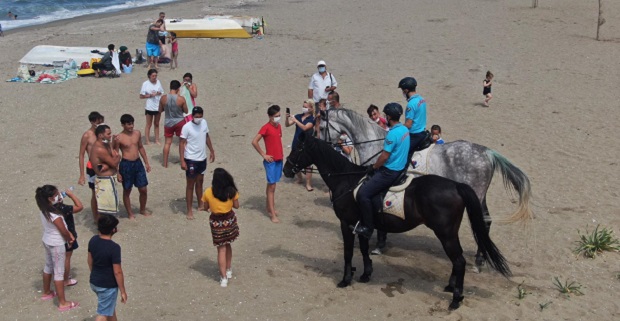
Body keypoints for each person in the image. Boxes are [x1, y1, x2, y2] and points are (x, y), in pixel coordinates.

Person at [353, 103, 410, 239]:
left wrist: (374, 167)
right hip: (402, 168)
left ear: (389, 117)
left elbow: (384, 156)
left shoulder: (392, 134)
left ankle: (368, 227)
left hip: (390, 171)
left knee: (363, 194)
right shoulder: (404, 130)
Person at [35, 185, 79, 312]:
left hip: (47, 239)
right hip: (56, 243)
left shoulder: (44, 209)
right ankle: (63, 302)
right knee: (58, 272)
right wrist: (69, 238)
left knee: (48, 266)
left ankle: (47, 292)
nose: (59, 196)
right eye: (56, 195)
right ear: (50, 198)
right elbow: (63, 230)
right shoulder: (55, 215)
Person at [200, 168, 240, 287]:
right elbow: (236, 206)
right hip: (229, 220)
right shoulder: (231, 191)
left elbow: (206, 207)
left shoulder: (208, 192)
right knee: (228, 244)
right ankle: (228, 270)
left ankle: (223, 278)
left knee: (220, 249)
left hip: (217, 223)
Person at [88, 214, 127, 321]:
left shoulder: (93, 240)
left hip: (94, 282)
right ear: (113, 229)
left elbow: (90, 260)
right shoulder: (114, 248)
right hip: (107, 286)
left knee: (109, 308)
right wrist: (123, 291)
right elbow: (117, 272)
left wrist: (94, 274)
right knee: (103, 315)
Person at [114, 114, 152, 220]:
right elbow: (115, 155)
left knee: (143, 189)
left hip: (138, 163)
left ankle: (142, 209)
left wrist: (147, 163)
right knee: (127, 190)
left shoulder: (137, 133)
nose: (131, 126)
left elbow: (140, 147)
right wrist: (117, 172)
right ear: (123, 125)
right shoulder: (119, 138)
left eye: (132, 124)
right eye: (128, 124)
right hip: (126, 164)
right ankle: (130, 213)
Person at [180, 107, 215, 220]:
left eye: (200, 116)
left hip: (202, 158)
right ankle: (189, 210)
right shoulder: (186, 127)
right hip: (191, 158)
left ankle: (200, 204)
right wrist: (182, 160)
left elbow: (206, 136)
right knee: (190, 184)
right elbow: (182, 143)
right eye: (197, 116)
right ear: (192, 116)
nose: (199, 119)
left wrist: (211, 150)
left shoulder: (204, 123)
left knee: (200, 181)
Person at [251, 105, 283, 223]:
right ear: (270, 117)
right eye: (276, 116)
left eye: (279, 116)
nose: (278, 118)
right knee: (272, 186)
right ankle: (272, 214)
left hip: (279, 158)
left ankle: (270, 208)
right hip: (271, 161)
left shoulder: (278, 126)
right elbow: (254, 141)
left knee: (271, 185)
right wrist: (264, 154)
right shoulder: (266, 128)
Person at [78, 111, 105, 223]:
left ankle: (104, 213)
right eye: (97, 123)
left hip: (104, 165)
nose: (99, 125)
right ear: (92, 122)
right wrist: (82, 175)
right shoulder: (87, 135)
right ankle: (96, 217)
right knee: (95, 192)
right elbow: (81, 154)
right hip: (92, 167)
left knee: (105, 190)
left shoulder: (103, 133)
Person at [90, 125, 121, 216]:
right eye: (108, 134)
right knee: (106, 210)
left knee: (110, 208)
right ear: (100, 135)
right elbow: (115, 161)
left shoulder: (105, 144)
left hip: (108, 178)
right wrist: (118, 157)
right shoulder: (99, 149)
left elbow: (113, 155)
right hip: (104, 180)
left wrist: (116, 144)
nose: (110, 135)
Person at [285, 99, 315, 191]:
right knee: (295, 161)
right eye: (303, 106)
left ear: (311, 108)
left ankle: (308, 184)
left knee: (308, 165)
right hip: (296, 142)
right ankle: (299, 178)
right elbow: (287, 125)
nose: (304, 108)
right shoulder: (298, 116)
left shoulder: (312, 119)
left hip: (306, 144)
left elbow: (305, 128)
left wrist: (295, 120)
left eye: (306, 107)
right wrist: (287, 118)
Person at [58, 187, 84, 288]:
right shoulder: (64, 208)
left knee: (59, 257)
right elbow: (79, 206)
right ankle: (65, 280)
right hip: (67, 236)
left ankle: (60, 274)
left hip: (56, 237)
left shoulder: (48, 209)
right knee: (66, 258)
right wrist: (71, 195)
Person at [159, 80, 188, 167]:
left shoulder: (163, 98)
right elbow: (186, 111)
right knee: (182, 142)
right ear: (178, 88)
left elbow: (160, 110)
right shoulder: (181, 99)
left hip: (168, 121)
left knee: (167, 143)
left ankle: (165, 163)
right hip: (179, 121)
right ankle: (183, 160)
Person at [399, 77, 427, 163]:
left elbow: (408, 124)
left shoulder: (411, 104)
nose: (403, 93)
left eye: (403, 90)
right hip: (423, 132)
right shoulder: (422, 100)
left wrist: (398, 128)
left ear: (406, 90)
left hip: (414, 135)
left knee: (400, 153)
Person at [139, 69, 164, 145]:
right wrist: (150, 95)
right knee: (148, 124)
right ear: (149, 76)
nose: (154, 77)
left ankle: (157, 139)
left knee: (157, 123)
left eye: (156, 75)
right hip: (149, 106)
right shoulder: (145, 84)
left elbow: (162, 92)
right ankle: (147, 140)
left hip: (158, 105)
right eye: (153, 76)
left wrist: (158, 93)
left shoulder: (158, 82)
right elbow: (141, 96)